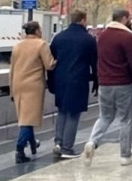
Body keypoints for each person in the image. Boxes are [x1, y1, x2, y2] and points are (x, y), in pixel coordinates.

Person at [83, 9, 132, 167]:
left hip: (105, 83)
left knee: (105, 116)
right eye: (129, 18)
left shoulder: (103, 36)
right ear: (124, 19)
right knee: (125, 119)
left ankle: (92, 142)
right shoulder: (128, 37)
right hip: (124, 83)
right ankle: (125, 155)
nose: (131, 21)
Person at [48, 10, 98, 159]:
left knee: (62, 111)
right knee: (73, 113)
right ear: (82, 20)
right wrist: (97, 81)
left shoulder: (58, 38)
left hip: (60, 80)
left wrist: (51, 81)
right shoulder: (88, 40)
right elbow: (94, 63)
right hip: (78, 80)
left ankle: (58, 142)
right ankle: (67, 148)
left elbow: (51, 62)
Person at [10, 21, 56, 163]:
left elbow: (12, 68)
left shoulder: (17, 46)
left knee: (25, 116)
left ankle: (33, 145)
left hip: (17, 84)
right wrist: (59, 59)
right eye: (40, 29)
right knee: (27, 120)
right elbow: (49, 65)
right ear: (36, 31)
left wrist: (11, 90)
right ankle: (19, 148)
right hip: (33, 86)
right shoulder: (41, 44)